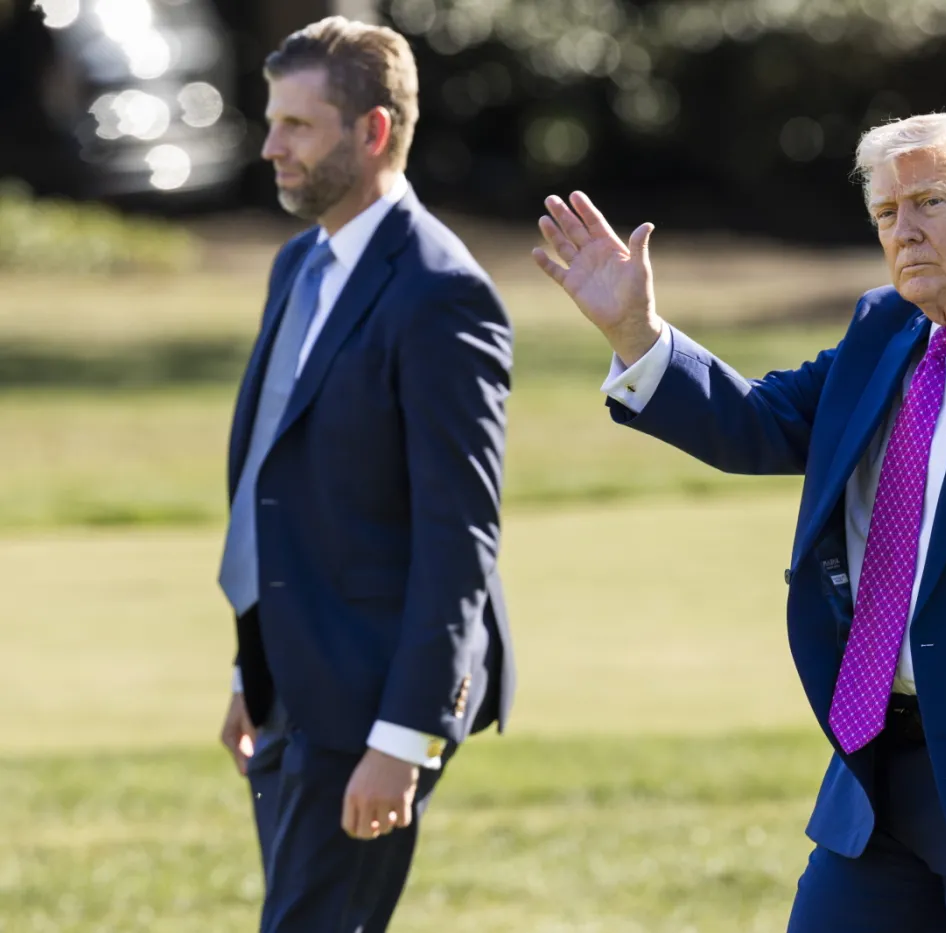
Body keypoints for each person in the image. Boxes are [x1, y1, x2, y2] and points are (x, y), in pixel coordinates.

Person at [532, 112, 946, 933]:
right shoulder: (885, 329)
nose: (905, 231)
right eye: (887, 213)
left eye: (930, 201)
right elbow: (759, 424)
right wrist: (636, 334)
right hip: (881, 778)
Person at [215, 18, 513, 933]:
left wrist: (405, 736)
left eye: (298, 126)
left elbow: (460, 535)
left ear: (373, 131)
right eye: (273, 122)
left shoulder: (442, 294)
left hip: (375, 699)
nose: (270, 146)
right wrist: (248, 667)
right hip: (290, 684)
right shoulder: (297, 264)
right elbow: (280, 475)